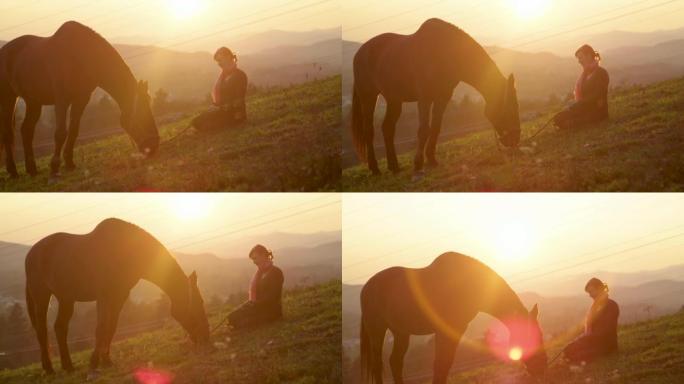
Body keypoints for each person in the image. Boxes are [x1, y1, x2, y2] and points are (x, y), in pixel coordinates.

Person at [563, 277, 620, 364]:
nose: (590, 295)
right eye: (589, 293)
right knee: (568, 350)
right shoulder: (595, 306)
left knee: (575, 355)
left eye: (591, 292)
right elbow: (589, 327)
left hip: (606, 345)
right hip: (594, 342)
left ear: (600, 289)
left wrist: (584, 338)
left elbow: (605, 331)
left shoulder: (611, 305)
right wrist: (580, 339)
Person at [191, 47, 248, 132]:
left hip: (233, 114)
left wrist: (236, 118)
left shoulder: (240, 75)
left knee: (202, 123)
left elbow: (239, 100)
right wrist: (215, 107)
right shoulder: (224, 76)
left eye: (221, 60)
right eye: (218, 61)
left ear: (228, 57)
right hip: (222, 111)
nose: (219, 63)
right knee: (196, 121)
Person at [553, 44, 610, 130]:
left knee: (566, 120)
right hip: (584, 109)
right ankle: (571, 123)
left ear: (589, 56)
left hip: (597, 112)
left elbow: (597, 95)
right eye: (578, 59)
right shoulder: (585, 75)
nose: (579, 61)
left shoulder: (601, 73)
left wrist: (578, 105)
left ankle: (574, 123)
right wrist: (574, 104)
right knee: (558, 117)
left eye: (581, 58)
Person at [228, 244, 284, 329]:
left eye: (255, 258)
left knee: (242, 322)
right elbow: (255, 296)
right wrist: (248, 305)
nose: (254, 262)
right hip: (258, 308)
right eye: (253, 259)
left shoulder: (276, 272)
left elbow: (272, 297)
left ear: (263, 255)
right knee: (231, 316)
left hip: (270, 310)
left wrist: (254, 305)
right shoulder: (259, 273)